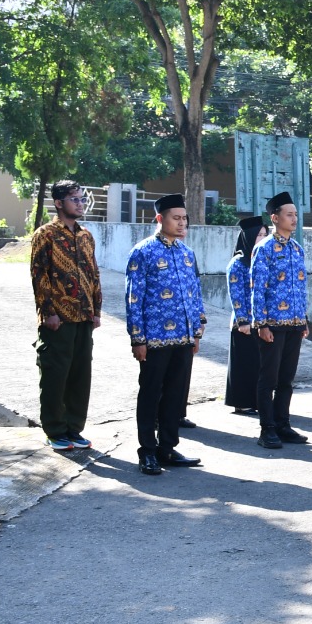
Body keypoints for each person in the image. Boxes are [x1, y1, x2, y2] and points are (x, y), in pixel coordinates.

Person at [124, 194, 206, 475]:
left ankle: (167, 447)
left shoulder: (186, 253)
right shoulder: (143, 252)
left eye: (184, 218)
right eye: (176, 218)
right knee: (150, 395)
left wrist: (197, 330)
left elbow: (196, 294)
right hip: (154, 339)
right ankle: (147, 450)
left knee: (176, 395)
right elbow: (134, 298)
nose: (182, 223)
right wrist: (138, 338)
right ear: (160, 219)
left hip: (183, 338)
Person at [29, 180, 103, 453]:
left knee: (80, 375)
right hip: (58, 318)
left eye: (82, 199)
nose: (80, 203)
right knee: (55, 375)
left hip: (83, 317)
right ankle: (55, 431)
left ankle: (74, 428)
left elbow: (94, 275)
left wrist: (96, 311)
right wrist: (48, 311)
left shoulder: (85, 235)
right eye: (74, 199)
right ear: (59, 203)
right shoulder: (45, 234)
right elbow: (39, 275)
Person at [250, 192, 311, 450]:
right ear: (275, 218)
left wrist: (304, 320)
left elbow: (301, 287)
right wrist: (261, 324)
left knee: (287, 378)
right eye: (289, 214)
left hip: (295, 324)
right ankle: (267, 428)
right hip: (272, 325)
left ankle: (283, 423)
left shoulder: (297, 249)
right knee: (269, 378)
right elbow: (257, 288)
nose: (294, 218)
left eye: (296, 214)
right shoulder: (263, 249)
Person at [223, 216, 266, 416]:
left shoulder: (263, 260)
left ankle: (258, 401)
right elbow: (236, 294)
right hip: (244, 324)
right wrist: (243, 320)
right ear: (249, 237)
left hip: (260, 322)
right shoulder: (238, 263)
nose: (263, 238)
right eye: (259, 235)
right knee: (243, 365)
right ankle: (241, 402)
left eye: (265, 235)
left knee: (259, 365)